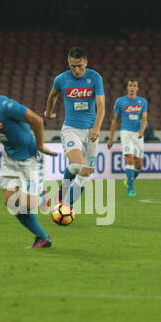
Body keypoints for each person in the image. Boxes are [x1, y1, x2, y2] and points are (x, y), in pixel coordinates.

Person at [0, 68, 57, 248]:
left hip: (30, 158)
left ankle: (43, 197)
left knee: (30, 204)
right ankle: (42, 238)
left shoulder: (5, 105)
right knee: (11, 203)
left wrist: (40, 145)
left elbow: (37, 120)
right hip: (10, 160)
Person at [44, 47, 105, 206]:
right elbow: (53, 95)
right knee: (77, 165)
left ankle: (67, 207)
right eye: (73, 66)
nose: (77, 70)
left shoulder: (95, 77)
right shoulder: (62, 79)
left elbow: (101, 105)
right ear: (68, 63)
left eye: (80, 66)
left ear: (86, 62)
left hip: (91, 131)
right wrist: (48, 112)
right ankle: (61, 194)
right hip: (71, 129)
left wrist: (97, 128)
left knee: (85, 175)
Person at [107, 79, 148, 197]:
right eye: (130, 85)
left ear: (137, 88)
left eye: (134, 86)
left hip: (138, 134)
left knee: (139, 165)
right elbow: (115, 120)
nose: (132, 88)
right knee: (129, 158)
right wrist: (111, 138)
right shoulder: (120, 101)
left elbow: (144, 119)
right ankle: (131, 188)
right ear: (127, 87)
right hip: (125, 133)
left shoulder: (142, 102)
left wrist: (142, 131)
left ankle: (128, 180)